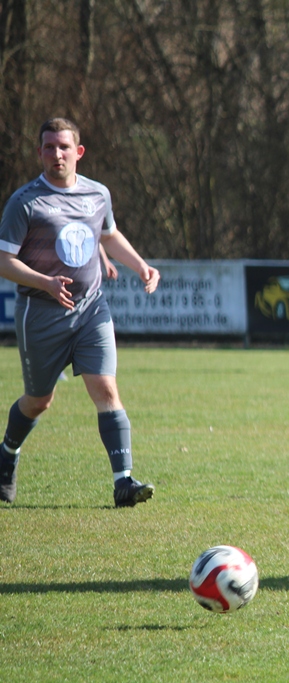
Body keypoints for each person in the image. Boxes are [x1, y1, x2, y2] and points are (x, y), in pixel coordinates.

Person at [0, 117, 161, 507]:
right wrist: (45, 282)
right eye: (49, 147)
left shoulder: (97, 193)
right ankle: (7, 453)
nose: (57, 154)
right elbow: (4, 261)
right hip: (41, 313)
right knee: (39, 400)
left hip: (91, 308)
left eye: (64, 147)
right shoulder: (25, 202)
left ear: (79, 152)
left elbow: (108, 234)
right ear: (39, 152)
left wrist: (141, 266)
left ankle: (123, 482)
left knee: (105, 388)